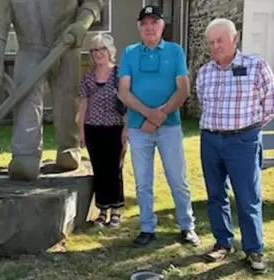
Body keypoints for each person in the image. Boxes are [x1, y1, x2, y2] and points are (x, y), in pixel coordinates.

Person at [0, 0, 108, 181]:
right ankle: (25, 153)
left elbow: (94, 2)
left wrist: (82, 24)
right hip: (29, 49)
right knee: (26, 99)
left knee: (67, 98)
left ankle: (69, 146)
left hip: (65, 45)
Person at [117, 5, 200, 247]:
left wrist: (160, 115)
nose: (149, 27)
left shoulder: (175, 51)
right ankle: (147, 228)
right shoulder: (130, 53)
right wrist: (149, 115)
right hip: (138, 128)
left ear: (162, 26)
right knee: (143, 182)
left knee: (178, 179)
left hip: (170, 127)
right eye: (144, 23)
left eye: (154, 22)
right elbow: (123, 91)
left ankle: (187, 226)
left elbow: (183, 89)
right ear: (139, 28)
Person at [196, 18, 274, 274]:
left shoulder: (256, 66)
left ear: (234, 38)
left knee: (247, 197)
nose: (215, 46)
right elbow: (202, 104)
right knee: (215, 195)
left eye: (220, 40)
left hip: (243, 140)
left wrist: (246, 130)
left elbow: (269, 105)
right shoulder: (204, 71)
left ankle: (253, 248)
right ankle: (222, 242)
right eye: (211, 42)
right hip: (210, 140)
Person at [78, 33, 127, 228]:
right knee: (99, 169)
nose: (98, 54)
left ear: (110, 51)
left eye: (102, 49)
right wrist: (81, 130)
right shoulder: (88, 77)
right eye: (95, 50)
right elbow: (82, 105)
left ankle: (115, 210)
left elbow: (128, 103)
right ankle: (102, 210)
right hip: (93, 129)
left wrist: (127, 130)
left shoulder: (120, 74)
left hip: (116, 128)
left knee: (115, 168)